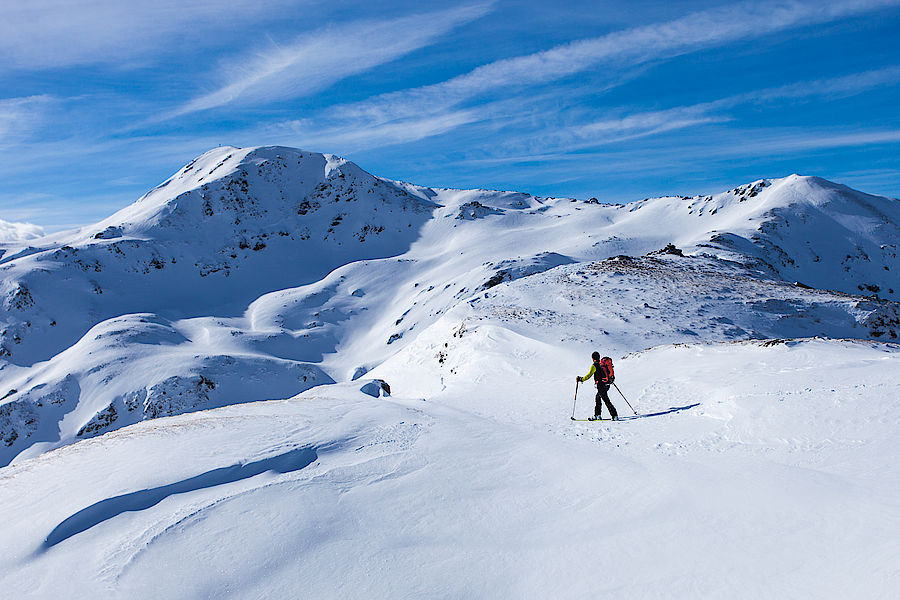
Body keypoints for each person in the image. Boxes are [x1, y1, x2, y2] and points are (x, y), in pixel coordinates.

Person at [577, 351, 618, 421]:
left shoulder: (594, 366)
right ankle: (598, 415)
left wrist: (581, 379)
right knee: (598, 398)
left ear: (593, 358)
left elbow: (589, 375)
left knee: (606, 400)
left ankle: (614, 415)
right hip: (606, 384)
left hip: (601, 385)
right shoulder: (601, 364)